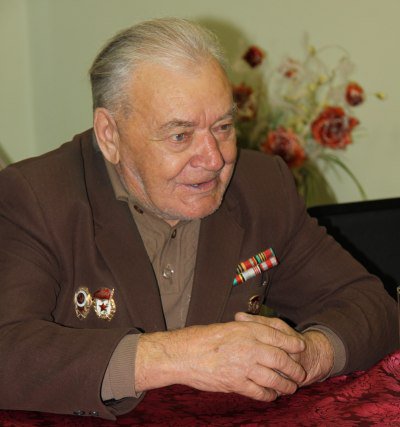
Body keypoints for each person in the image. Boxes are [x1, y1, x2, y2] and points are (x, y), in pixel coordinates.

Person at [0, 18, 397, 421]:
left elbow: (372, 306)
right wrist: (178, 356)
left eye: (223, 127)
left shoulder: (261, 187)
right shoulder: (36, 197)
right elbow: (7, 349)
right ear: (109, 135)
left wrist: (307, 355)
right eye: (180, 135)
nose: (214, 158)